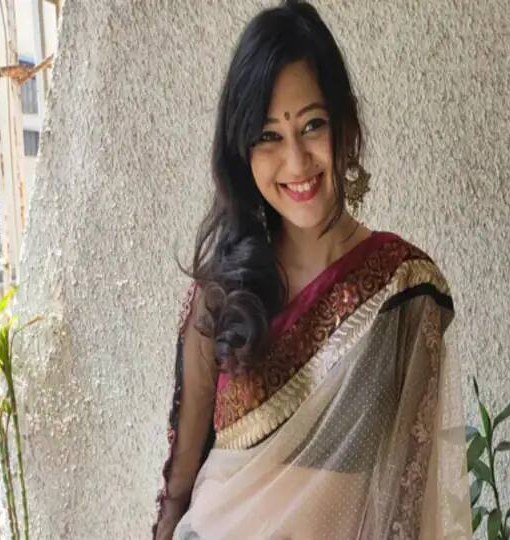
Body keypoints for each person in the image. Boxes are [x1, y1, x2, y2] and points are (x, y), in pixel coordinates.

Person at [152, 1, 472, 538]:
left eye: (312, 125)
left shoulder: (403, 291)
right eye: (269, 135)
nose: (297, 161)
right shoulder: (221, 297)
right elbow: (179, 489)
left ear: (345, 124)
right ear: (241, 149)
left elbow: (406, 506)